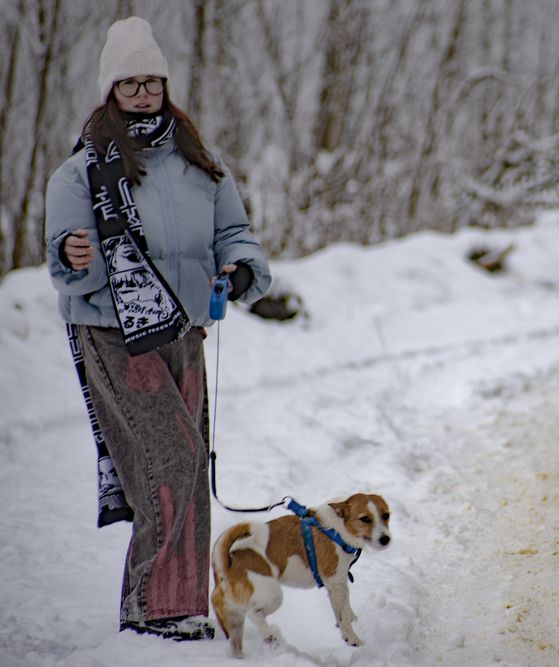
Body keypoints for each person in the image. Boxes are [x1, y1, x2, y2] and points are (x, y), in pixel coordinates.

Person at [43, 16, 271, 642]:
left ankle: (182, 603)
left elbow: (235, 234)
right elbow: (61, 255)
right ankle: (150, 603)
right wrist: (72, 256)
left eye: (152, 81)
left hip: (184, 331)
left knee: (190, 462)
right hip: (115, 336)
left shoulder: (200, 161)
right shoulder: (83, 172)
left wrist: (243, 268)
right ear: (111, 91)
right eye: (129, 83)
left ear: (165, 85)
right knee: (168, 457)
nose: (142, 93)